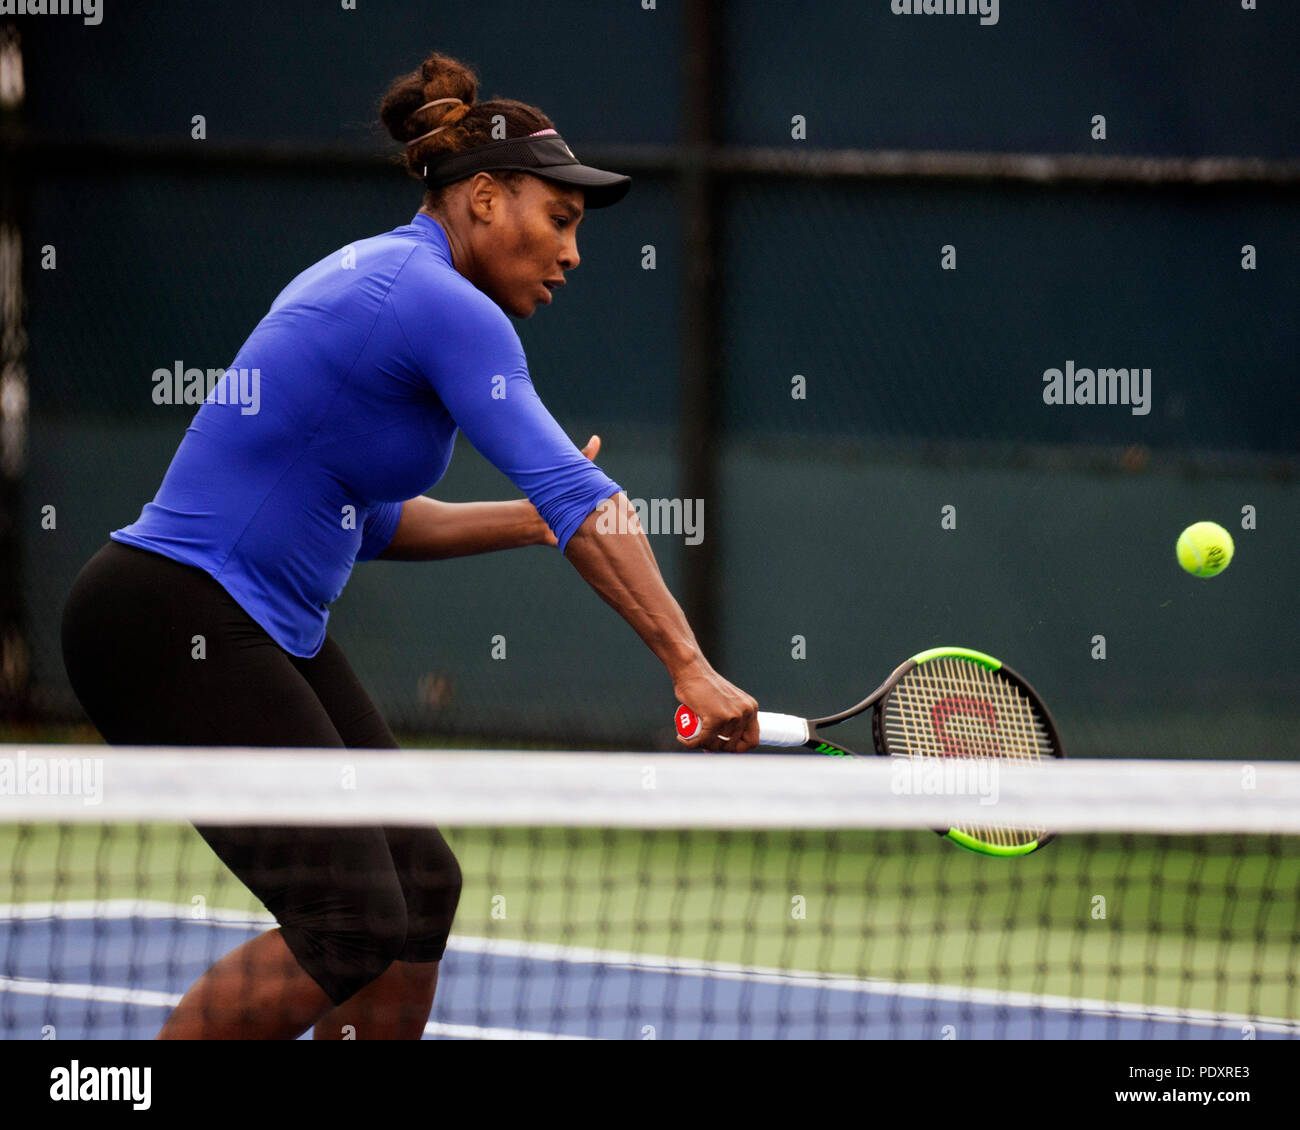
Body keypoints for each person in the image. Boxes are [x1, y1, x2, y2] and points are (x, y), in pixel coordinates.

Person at [58, 51, 758, 1040]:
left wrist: (527, 520)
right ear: (481, 199)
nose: (572, 252)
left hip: (232, 616)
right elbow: (582, 496)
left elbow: (378, 518)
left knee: (420, 886)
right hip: (172, 615)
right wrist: (688, 664)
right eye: (556, 219)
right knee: (348, 917)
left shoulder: (392, 280)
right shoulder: (434, 301)